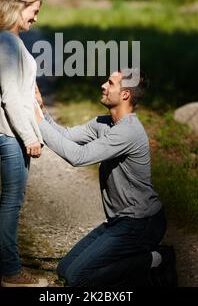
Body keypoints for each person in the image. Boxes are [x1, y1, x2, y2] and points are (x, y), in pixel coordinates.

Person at [34, 69, 177, 288]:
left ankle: (156, 260)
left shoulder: (128, 132)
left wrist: (37, 122)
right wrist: (42, 113)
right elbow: (66, 135)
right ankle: (136, 265)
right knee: (64, 270)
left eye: (110, 83)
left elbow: (78, 156)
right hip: (119, 222)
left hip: (141, 224)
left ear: (125, 95)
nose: (103, 85)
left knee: (78, 279)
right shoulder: (104, 123)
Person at [0, 0, 48, 287]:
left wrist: (33, 89)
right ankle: (11, 273)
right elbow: (8, 98)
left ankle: (12, 269)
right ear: (19, 7)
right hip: (11, 134)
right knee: (12, 202)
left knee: (15, 199)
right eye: (33, 12)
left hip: (14, 133)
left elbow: (16, 84)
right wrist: (30, 137)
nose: (35, 18)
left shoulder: (11, 40)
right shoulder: (8, 42)